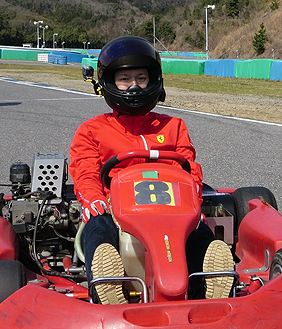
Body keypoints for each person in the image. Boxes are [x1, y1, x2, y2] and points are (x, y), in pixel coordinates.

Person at [69, 36, 235, 304]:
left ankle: (207, 284)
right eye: (124, 79)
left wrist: (193, 198)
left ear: (154, 81)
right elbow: (86, 171)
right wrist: (94, 200)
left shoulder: (173, 126)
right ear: (109, 82)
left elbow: (188, 168)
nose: (134, 87)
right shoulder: (92, 130)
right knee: (97, 228)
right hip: (114, 206)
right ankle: (108, 289)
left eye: (141, 78)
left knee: (197, 230)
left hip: (170, 206)